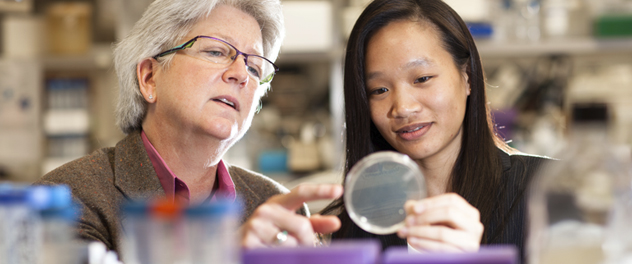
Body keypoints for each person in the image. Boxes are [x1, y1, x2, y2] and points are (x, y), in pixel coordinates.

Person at [36, 0, 342, 254]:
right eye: (216, 51)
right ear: (149, 78)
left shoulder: (276, 203)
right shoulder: (67, 198)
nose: (241, 74)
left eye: (254, 67)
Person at [320, 0, 548, 261]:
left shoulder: (547, 190)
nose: (403, 108)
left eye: (422, 79)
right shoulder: (344, 228)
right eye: (379, 90)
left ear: (468, 77)